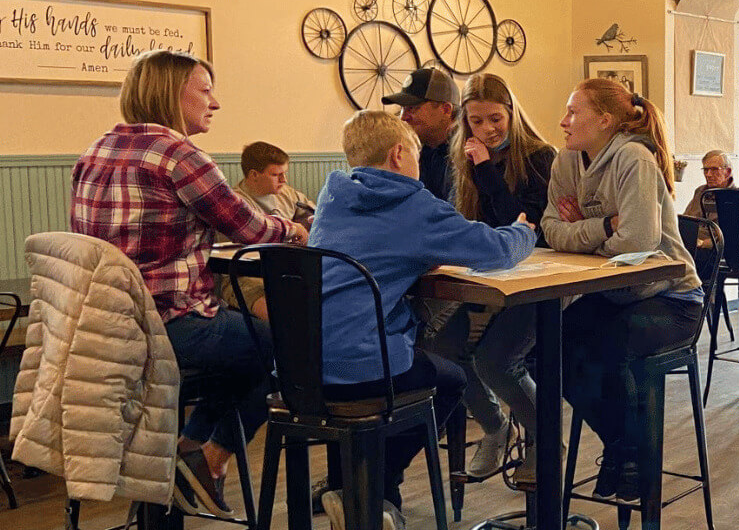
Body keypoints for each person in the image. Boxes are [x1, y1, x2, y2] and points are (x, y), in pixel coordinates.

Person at [70, 49, 307, 519]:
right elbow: (251, 229)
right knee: (287, 348)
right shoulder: (179, 154)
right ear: (171, 94)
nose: (214, 102)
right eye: (205, 90)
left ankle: (185, 456)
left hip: (105, 330)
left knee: (245, 346)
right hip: (170, 327)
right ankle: (204, 457)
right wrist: (294, 231)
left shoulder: (95, 150)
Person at [312, 110, 536, 530]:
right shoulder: (411, 203)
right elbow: (494, 252)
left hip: (303, 366)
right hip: (364, 365)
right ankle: (373, 493)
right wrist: (523, 230)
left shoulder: (333, 195)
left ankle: (358, 492)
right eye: (415, 154)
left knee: (414, 363)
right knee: (449, 380)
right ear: (399, 154)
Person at [542, 79, 702, 503]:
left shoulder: (632, 156)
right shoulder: (566, 163)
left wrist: (585, 234)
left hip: (672, 297)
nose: (563, 121)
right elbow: (550, 230)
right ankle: (623, 447)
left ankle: (629, 458)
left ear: (605, 121)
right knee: (550, 348)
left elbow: (638, 242)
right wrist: (604, 226)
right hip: (615, 293)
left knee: (608, 347)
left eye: (574, 112)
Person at [427, 73, 556, 484]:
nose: (487, 129)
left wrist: (485, 170)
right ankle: (494, 426)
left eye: (495, 118)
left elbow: (521, 226)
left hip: (536, 277)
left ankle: (543, 440)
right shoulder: (459, 158)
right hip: (483, 275)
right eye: (476, 121)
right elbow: (465, 222)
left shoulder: (539, 156)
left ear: (512, 113)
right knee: (439, 347)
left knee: (496, 361)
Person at [220, 141, 316, 320]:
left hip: (287, 268)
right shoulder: (235, 204)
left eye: (284, 174)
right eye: (276, 175)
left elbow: (314, 216)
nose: (284, 180)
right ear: (254, 175)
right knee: (281, 319)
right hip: (246, 274)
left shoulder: (288, 194)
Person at [382, 67, 459, 202]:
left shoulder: (469, 155)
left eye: (412, 108)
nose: (403, 117)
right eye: (402, 109)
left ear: (446, 110)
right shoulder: (412, 151)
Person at [683, 149, 739, 266]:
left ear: (728, 172)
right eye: (705, 170)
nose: (708, 174)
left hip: (717, 252)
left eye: (714, 169)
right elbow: (685, 222)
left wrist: (702, 243)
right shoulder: (700, 192)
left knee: (684, 260)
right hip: (693, 247)